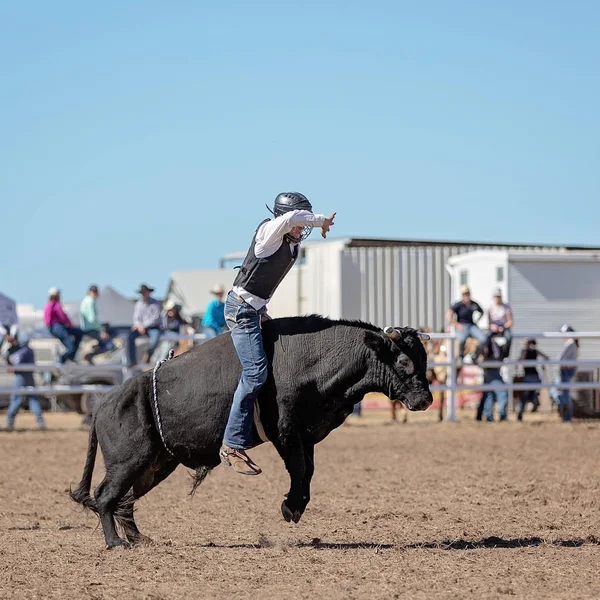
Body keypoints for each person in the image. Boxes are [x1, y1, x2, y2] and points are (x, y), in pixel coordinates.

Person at [219, 192, 335, 475]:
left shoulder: (290, 245)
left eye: (306, 224)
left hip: (254, 310)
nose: (302, 228)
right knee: (256, 372)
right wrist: (320, 221)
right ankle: (231, 444)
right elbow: (291, 218)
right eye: (300, 222)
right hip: (242, 310)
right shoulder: (268, 232)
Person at [5, 335, 46, 431]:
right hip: (30, 377)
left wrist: (9, 353)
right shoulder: (30, 350)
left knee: (16, 399)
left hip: (21, 377)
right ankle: (40, 423)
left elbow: (14, 363)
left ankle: (9, 423)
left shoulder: (20, 351)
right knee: (33, 399)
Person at [446, 285, 486, 363]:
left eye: (467, 294)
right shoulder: (458, 305)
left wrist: (477, 321)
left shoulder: (473, 304)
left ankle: (475, 355)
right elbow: (449, 316)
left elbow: (481, 311)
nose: (466, 296)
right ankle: (461, 357)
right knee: (462, 338)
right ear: (462, 295)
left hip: (471, 325)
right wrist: (457, 324)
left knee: (483, 339)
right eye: (464, 294)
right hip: (461, 324)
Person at [44, 287, 83, 364]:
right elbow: (63, 316)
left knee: (78, 334)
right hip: (58, 327)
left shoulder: (48, 305)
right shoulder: (55, 305)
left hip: (55, 328)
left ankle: (70, 357)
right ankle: (62, 360)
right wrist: (71, 325)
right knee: (71, 347)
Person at [126, 284, 163, 367]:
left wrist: (142, 326)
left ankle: (148, 354)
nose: (144, 294)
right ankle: (132, 360)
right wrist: (139, 326)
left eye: (145, 292)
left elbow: (155, 318)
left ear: (149, 293)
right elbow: (136, 318)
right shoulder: (138, 304)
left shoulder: (155, 303)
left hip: (153, 327)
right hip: (141, 327)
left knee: (154, 340)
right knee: (130, 336)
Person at [80, 285, 115, 364]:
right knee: (110, 345)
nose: (95, 294)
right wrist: (102, 329)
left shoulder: (85, 300)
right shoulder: (90, 301)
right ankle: (92, 354)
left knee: (110, 333)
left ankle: (99, 346)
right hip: (91, 329)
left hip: (87, 328)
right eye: (94, 292)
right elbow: (92, 319)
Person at [516, 339, 549, 421]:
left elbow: (521, 361)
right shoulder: (535, 351)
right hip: (535, 377)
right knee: (531, 394)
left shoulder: (525, 351)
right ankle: (534, 402)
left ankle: (521, 413)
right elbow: (546, 357)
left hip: (528, 377)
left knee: (524, 397)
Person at [480, 340, 509, 422]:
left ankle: (488, 415)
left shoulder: (489, 343)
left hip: (490, 370)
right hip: (492, 370)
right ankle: (502, 415)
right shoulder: (488, 344)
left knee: (489, 394)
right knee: (502, 393)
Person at [557, 324, 579, 422]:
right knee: (564, 393)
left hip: (566, 370)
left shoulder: (570, 343)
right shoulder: (573, 343)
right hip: (568, 370)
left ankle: (567, 416)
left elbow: (562, 358)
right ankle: (566, 416)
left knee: (564, 394)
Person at [486, 289, 514, 359]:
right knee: (486, 337)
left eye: (498, 296)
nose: (497, 298)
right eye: (496, 296)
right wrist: (493, 327)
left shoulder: (506, 307)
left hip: (504, 326)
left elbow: (510, 321)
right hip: (494, 326)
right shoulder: (490, 308)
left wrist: (503, 327)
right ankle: (489, 353)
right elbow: (489, 322)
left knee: (509, 337)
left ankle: (505, 354)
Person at [0, 291, 19, 357]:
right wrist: (5, 335)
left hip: (9, 330)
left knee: (23, 340)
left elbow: (15, 321)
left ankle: (10, 359)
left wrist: (12, 335)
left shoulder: (11, 302)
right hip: (3, 331)